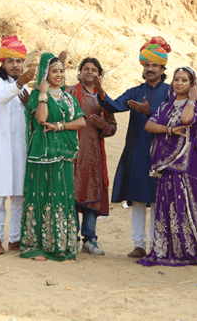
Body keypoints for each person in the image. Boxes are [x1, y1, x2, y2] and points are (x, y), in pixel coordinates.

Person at [94, 37, 171, 258]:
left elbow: (173, 117)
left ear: (163, 68)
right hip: (137, 150)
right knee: (138, 198)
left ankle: (158, 245)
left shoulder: (170, 92)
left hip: (162, 152)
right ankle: (139, 245)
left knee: (157, 199)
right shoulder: (134, 92)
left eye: (154, 65)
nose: (150, 69)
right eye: (146, 65)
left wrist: (150, 110)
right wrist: (101, 91)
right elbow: (114, 105)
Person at [20, 53, 86, 261]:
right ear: (44, 74)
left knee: (61, 198)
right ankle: (36, 247)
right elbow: (41, 118)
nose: (59, 75)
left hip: (64, 156)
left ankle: (61, 246)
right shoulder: (35, 96)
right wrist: (43, 93)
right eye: (53, 71)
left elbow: (81, 121)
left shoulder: (69, 97)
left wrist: (60, 126)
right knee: (41, 198)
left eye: (61, 71)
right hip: (42, 156)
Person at [137, 67, 197, 266]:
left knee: (186, 205)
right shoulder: (165, 107)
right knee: (167, 206)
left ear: (191, 85)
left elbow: (186, 119)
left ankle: (189, 249)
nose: (179, 83)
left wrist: (192, 99)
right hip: (165, 165)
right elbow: (149, 125)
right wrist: (169, 130)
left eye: (184, 80)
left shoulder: (196, 106)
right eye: (176, 79)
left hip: (187, 164)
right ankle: (168, 249)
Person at [0, 35, 36, 255]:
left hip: (19, 147)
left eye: (19, 61)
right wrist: (21, 83)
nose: (16, 65)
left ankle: (15, 238)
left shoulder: (24, 89)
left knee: (18, 195)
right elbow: (1, 98)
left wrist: (27, 97)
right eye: (11, 61)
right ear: (2, 63)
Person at [68, 58, 117, 255]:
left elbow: (113, 127)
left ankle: (90, 239)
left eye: (94, 69)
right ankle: (71, 236)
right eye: (86, 69)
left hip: (94, 154)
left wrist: (102, 126)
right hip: (72, 152)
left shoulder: (104, 99)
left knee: (91, 193)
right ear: (79, 72)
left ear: (99, 74)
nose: (89, 72)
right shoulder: (69, 92)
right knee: (71, 192)